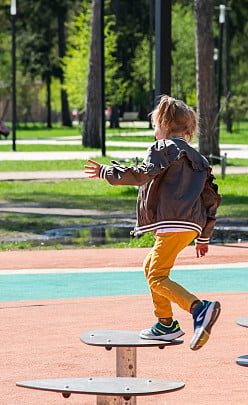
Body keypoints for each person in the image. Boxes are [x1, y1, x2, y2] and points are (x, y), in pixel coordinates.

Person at [84, 95, 222, 351]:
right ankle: (165, 324)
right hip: (189, 227)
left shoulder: (162, 148)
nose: (154, 129)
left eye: (156, 123)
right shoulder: (199, 158)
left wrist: (107, 172)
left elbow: (143, 174)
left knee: (157, 275)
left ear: (165, 123)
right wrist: (204, 236)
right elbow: (211, 199)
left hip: (172, 224)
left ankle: (199, 308)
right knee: (151, 267)